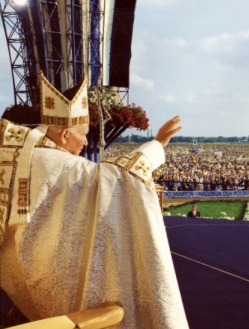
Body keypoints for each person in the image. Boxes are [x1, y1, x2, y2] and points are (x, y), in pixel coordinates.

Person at [0, 72, 189, 328]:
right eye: (83, 133)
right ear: (65, 134)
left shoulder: (23, 152)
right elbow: (118, 179)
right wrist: (156, 145)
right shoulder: (59, 163)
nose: (86, 141)